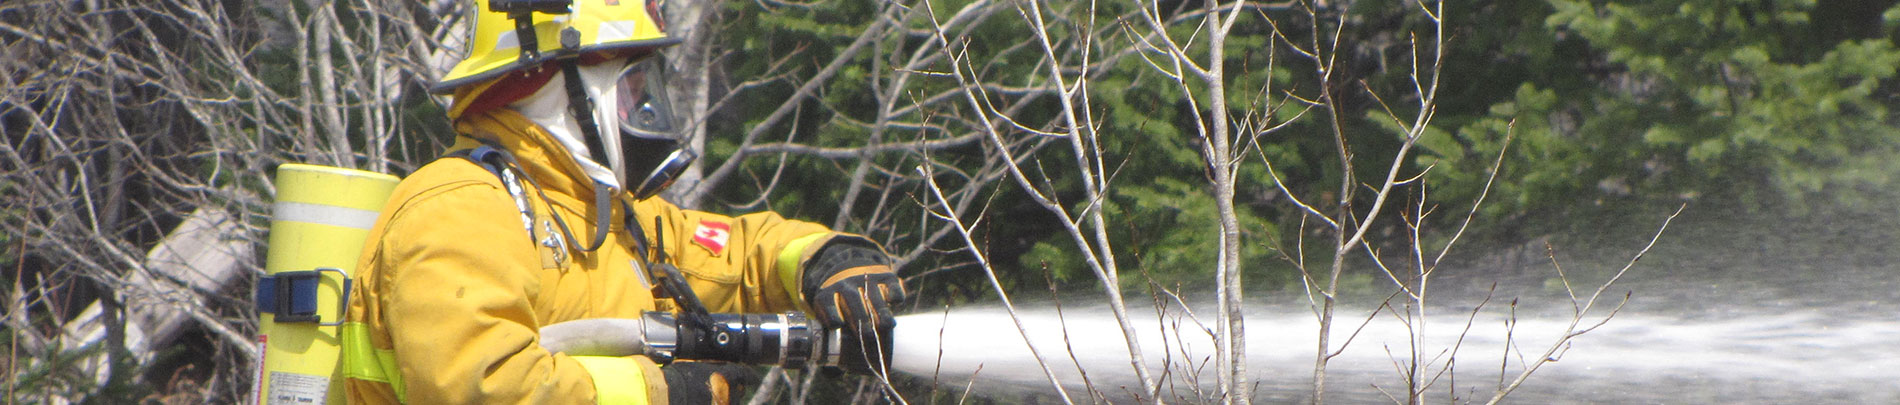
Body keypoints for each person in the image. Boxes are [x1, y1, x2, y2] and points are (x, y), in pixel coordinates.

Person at [336, 1, 904, 403]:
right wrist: (656, 391)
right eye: (631, 90)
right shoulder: (460, 209)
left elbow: (731, 255)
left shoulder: (600, 214)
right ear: (557, 88)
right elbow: (475, 387)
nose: (645, 113)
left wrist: (820, 259)